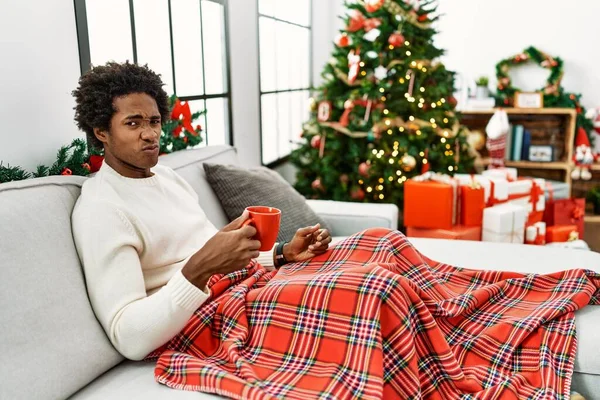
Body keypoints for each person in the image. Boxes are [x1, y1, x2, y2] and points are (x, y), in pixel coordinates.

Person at [71, 62, 332, 361]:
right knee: (375, 288)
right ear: (102, 131)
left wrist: (282, 254)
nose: (150, 134)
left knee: (381, 243)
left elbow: (216, 257)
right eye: (133, 123)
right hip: (209, 318)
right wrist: (200, 268)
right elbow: (129, 338)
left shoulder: (168, 178)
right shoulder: (102, 210)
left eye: (154, 121)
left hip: (248, 285)